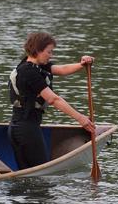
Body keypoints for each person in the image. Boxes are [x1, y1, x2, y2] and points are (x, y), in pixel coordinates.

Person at [8, 31, 95, 169]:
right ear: (37, 50)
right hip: (25, 129)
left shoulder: (38, 66)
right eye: (49, 52)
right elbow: (53, 99)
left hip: (23, 127)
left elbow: (62, 69)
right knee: (40, 173)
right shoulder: (29, 72)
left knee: (30, 173)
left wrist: (83, 64)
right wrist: (81, 118)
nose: (51, 55)